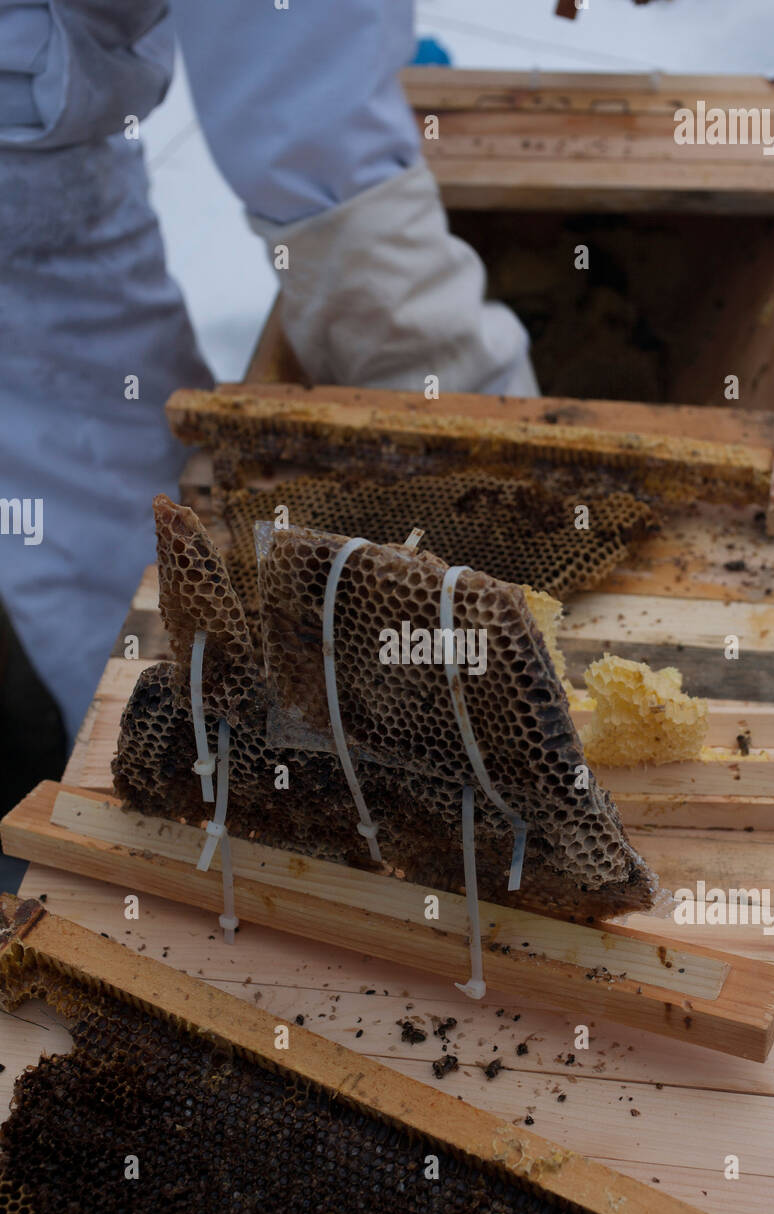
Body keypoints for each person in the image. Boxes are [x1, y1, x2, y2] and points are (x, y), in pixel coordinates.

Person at [0, 2, 537, 748]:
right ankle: (167, 758)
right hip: (24, 154)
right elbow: (311, 128)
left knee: (104, 499)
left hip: (43, 121)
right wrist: (461, 396)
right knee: (126, 540)